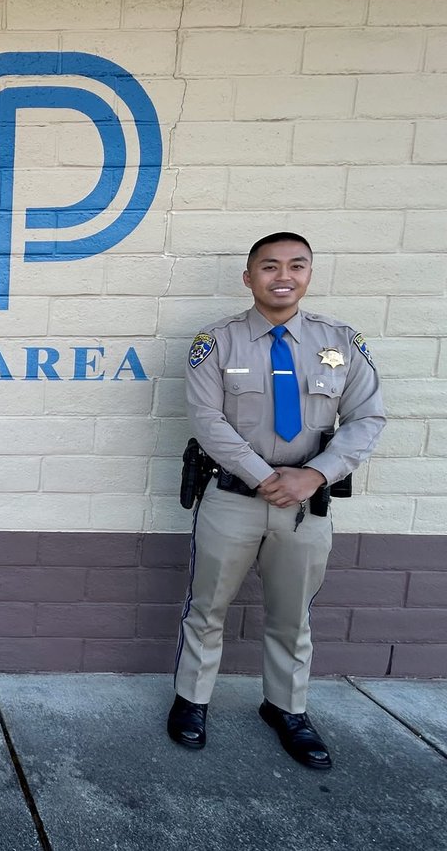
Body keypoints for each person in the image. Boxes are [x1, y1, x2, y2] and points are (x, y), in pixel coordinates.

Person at [169, 231, 385, 770]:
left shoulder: (341, 343)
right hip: (232, 498)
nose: (282, 275)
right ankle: (192, 701)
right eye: (269, 266)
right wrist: (266, 476)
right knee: (207, 607)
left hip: (305, 506)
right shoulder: (216, 343)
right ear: (249, 277)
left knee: (293, 615)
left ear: (310, 274)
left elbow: (366, 419)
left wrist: (315, 475)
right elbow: (207, 421)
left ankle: (286, 709)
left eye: (296, 265)